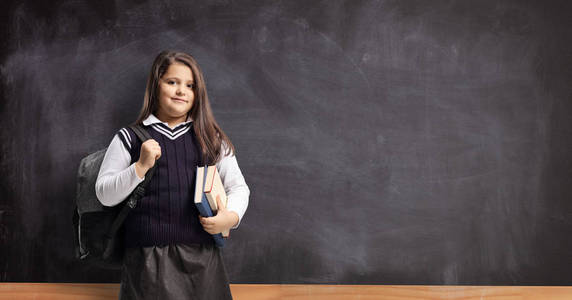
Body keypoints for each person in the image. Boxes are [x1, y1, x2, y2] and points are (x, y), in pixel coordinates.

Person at [95, 50, 249, 299]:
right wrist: (140, 167)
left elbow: (238, 187)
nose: (181, 91)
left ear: (198, 93)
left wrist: (230, 217)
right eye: (172, 82)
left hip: (203, 259)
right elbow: (104, 193)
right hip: (147, 261)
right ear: (156, 85)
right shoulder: (129, 138)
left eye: (190, 85)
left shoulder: (211, 139)